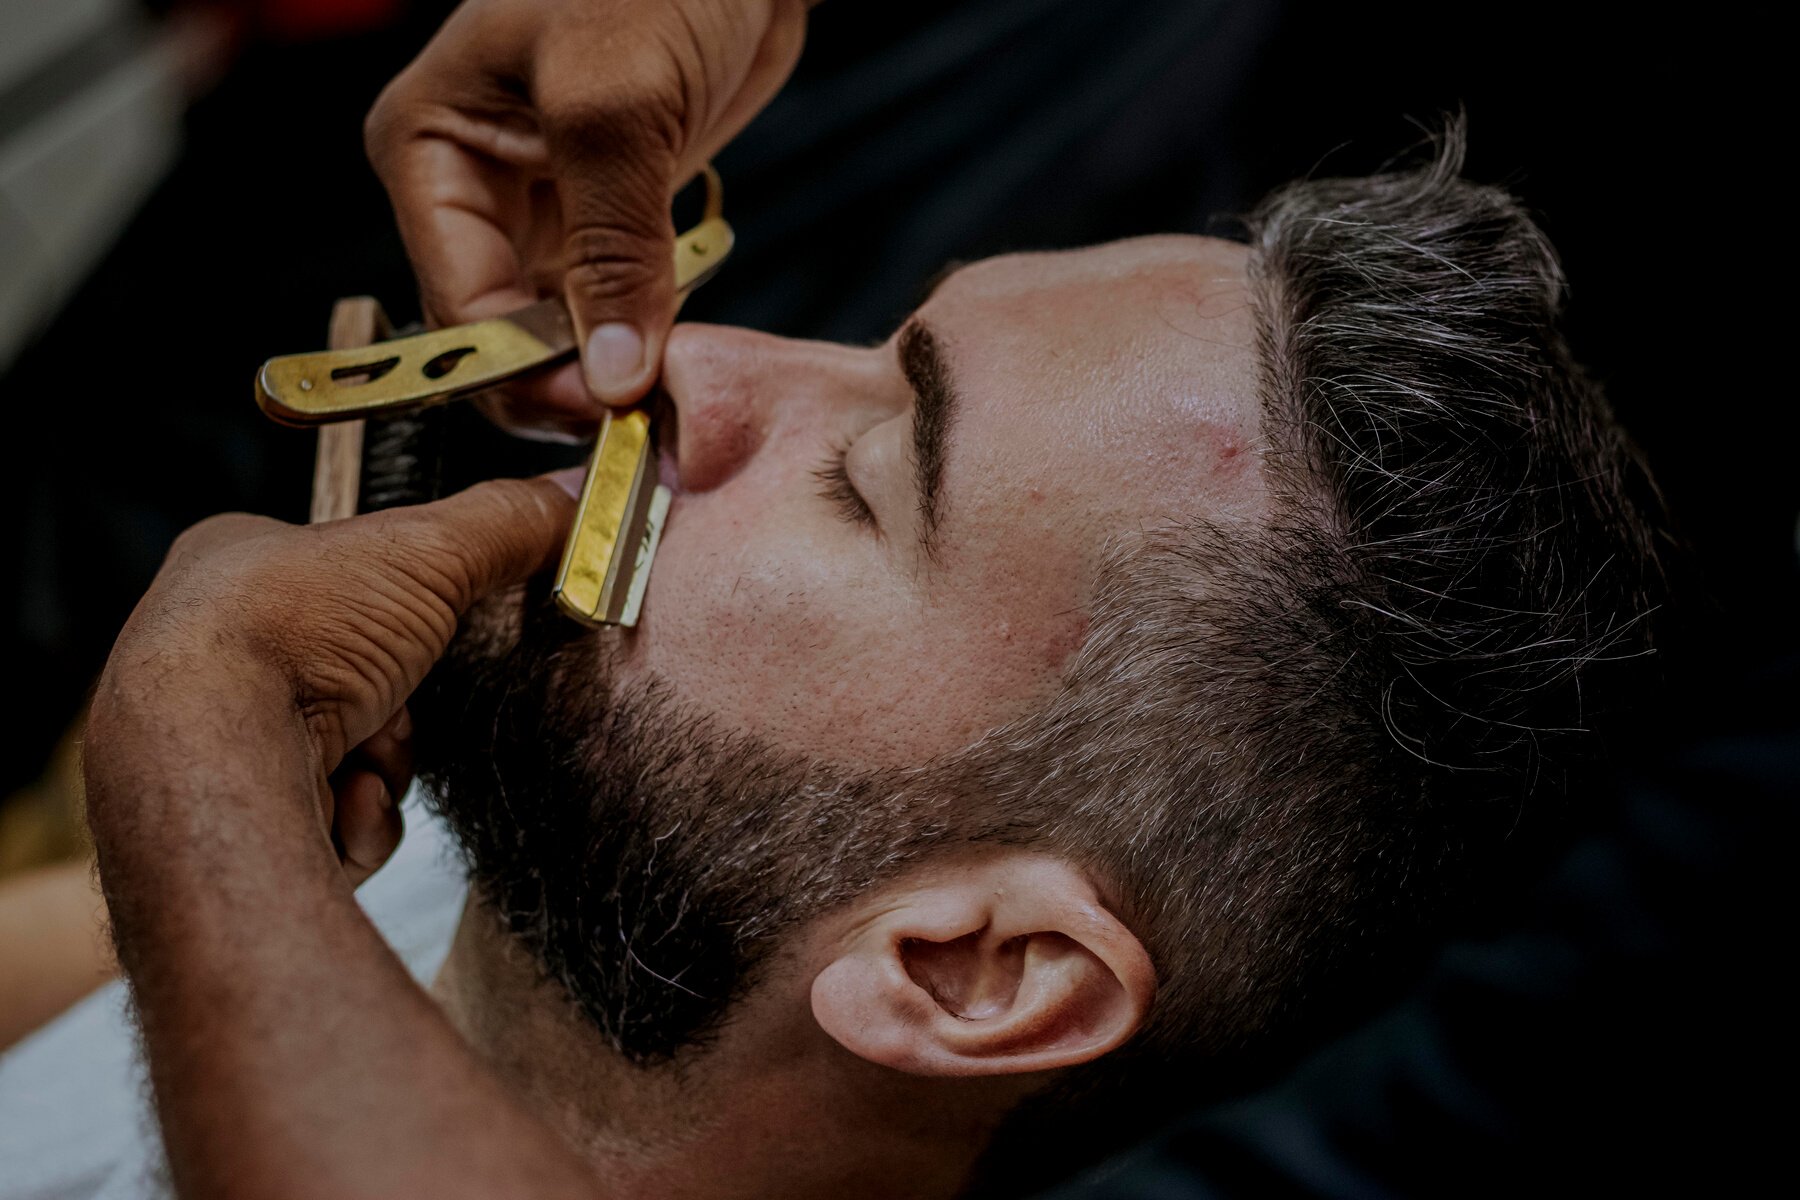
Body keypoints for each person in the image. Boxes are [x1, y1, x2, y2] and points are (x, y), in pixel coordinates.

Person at [16, 124, 1660, 1200]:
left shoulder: (246, 828)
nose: (697, 368)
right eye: (874, 349)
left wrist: (201, 747)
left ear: (971, 968)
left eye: (868, 479)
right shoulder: (535, 883)